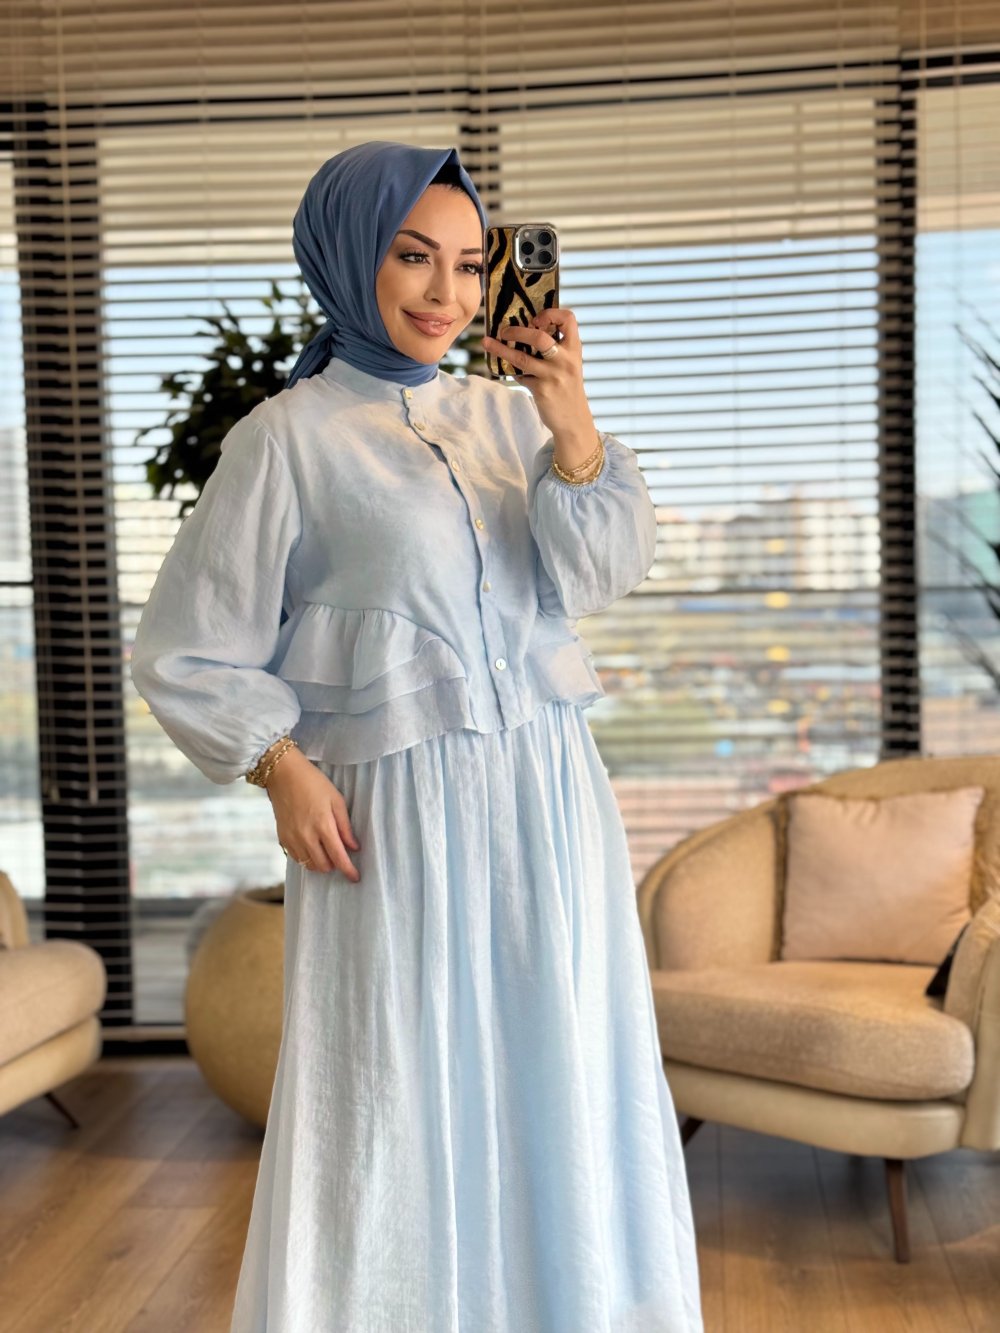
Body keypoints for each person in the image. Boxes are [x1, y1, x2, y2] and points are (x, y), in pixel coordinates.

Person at [130, 140, 704, 1333]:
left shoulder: (506, 416)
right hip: (391, 818)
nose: (446, 292)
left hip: (546, 798)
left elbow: (597, 573)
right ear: (351, 256)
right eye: (412, 256)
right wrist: (279, 766)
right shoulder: (285, 438)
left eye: (469, 264)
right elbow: (186, 644)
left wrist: (569, 420)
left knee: (563, 1061)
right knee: (393, 1082)